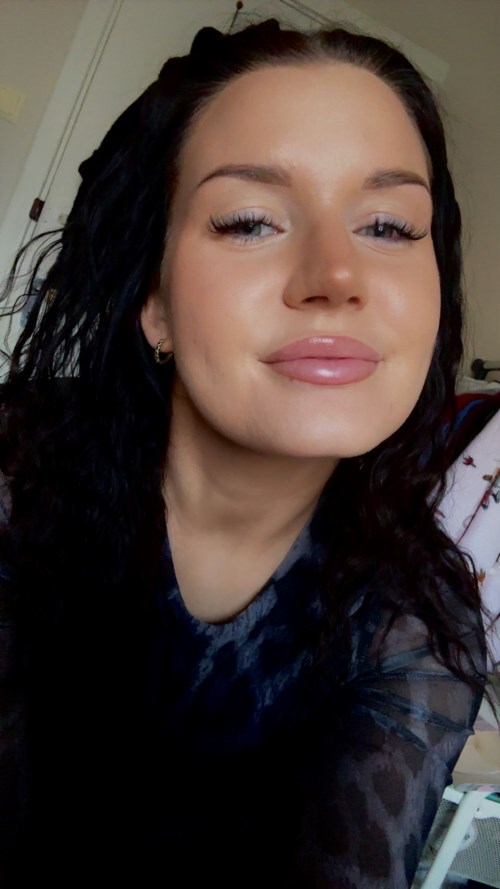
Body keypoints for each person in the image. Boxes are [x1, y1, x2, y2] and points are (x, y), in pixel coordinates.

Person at [0, 18, 490, 889]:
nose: (336, 276)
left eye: (387, 225)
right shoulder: (14, 474)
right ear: (153, 301)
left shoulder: (411, 621)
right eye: (251, 220)